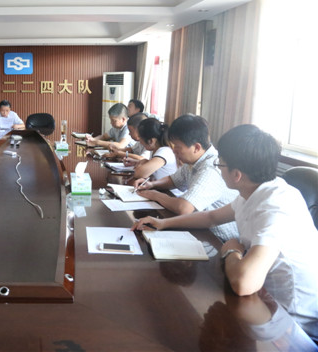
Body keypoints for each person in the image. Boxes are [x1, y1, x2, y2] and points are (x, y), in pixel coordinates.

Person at [132, 124, 318, 342]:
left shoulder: (275, 207)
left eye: (220, 164)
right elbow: (211, 217)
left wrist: (231, 251)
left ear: (237, 174)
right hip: (265, 301)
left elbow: (244, 284)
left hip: (290, 324)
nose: (218, 169)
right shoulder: (257, 190)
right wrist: (163, 223)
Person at [133, 114, 238, 241]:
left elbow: (184, 208)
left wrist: (155, 195)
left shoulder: (211, 168)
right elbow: (174, 180)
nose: (174, 150)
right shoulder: (194, 160)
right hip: (199, 227)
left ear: (196, 147)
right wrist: (152, 184)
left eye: (177, 146)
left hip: (218, 239)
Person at [130, 117, 178, 184]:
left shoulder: (164, 152)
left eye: (140, 138)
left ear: (151, 141)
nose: (139, 141)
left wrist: (143, 165)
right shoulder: (156, 150)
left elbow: (139, 174)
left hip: (167, 190)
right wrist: (144, 162)